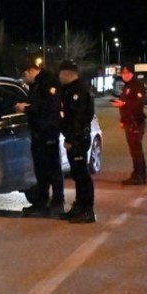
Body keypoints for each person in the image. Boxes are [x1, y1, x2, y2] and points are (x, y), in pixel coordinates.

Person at [16, 59, 65, 217]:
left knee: (53, 169)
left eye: (24, 75)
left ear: (32, 70)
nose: (24, 79)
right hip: (38, 133)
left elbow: (50, 107)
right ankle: (42, 202)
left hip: (48, 132)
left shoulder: (48, 82)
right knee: (40, 170)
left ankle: (58, 203)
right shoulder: (36, 84)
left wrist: (27, 108)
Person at [58, 61, 96, 223]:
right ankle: (79, 206)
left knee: (82, 175)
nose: (59, 77)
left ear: (67, 73)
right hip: (75, 137)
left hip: (78, 139)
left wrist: (72, 139)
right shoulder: (71, 90)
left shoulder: (78, 91)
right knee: (77, 174)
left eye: (60, 74)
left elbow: (77, 119)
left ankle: (87, 209)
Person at [111, 64, 147, 185]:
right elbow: (126, 103)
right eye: (123, 73)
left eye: (128, 72)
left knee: (136, 150)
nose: (125, 75)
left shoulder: (137, 86)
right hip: (129, 121)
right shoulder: (126, 86)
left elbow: (138, 103)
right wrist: (122, 119)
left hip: (136, 122)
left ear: (133, 73)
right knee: (135, 150)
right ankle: (139, 175)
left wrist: (123, 104)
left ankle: (139, 176)